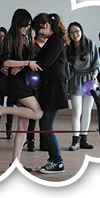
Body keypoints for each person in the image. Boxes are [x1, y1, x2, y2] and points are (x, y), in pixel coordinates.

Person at [0, 9, 44, 163]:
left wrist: (22, 66)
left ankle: (15, 162)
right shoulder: (11, 37)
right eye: (24, 25)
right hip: (16, 83)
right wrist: (26, 63)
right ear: (17, 23)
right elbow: (6, 62)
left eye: (28, 25)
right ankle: (2, 110)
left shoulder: (27, 37)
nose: (26, 28)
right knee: (38, 112)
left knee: (22, 126)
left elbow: (31, 59)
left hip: (25, 80)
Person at [30, 13, 70, 174]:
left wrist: (25, 64)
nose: (38, 34)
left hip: (55, 87)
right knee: (45, 124)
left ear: (46, 25)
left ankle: (58, 161)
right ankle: (54, 159)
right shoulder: (52, 41)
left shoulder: (56, 42)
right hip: (51, 86)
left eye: (38, 30)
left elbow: (44, 63)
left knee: (46, 125)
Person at [66, 22, 100, 151]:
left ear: (81, 31)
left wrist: (95, 74)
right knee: (77, 111)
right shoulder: (68, 47)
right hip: (75, 79)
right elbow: (66, 66)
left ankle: (84, 139)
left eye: (77, 31)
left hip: (89, 80)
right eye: (71, 32)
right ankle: (75, 141)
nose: (75, 34)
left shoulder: (91, 44)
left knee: (87, 111)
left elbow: (97, 62)